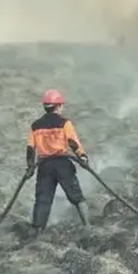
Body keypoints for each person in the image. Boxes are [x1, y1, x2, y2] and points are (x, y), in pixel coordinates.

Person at [25, 89, 89, 233]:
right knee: (77, 197)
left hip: (44, 166)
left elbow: (30, 149)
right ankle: (88, 227)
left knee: (43, 200)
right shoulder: (64, 123)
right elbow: (74, 143)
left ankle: (37, 232)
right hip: (62, 164)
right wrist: (83, 157)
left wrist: (30, 167)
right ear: (58, 106)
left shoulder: (35, 126)